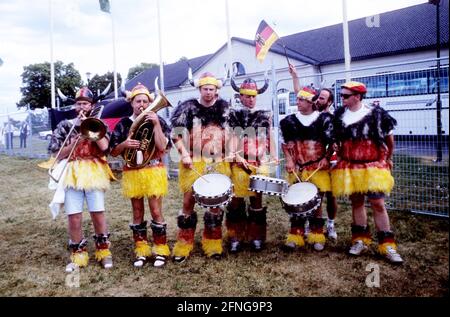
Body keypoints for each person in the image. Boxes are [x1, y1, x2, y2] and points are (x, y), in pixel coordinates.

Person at [331, 81, 403, 264]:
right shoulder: (339, 115)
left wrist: (387, 159)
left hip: (372, 167)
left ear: (357, 96)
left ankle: (387, 245)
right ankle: (359, 240)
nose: (342, 99)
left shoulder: (376, 115)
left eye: (346, 96)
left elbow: (389, 139)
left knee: (378, 203)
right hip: (349, 166)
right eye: (341, 95)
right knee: (356, 202)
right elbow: (336, 139)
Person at [48, 87, 114, 272]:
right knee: (74, 217)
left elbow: (105, 148)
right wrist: (73, 142)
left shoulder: (99, 123)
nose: (81, 107)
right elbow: (57, 153)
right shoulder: (65, 125)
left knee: (97, 213)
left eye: (85, 103)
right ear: (74, 105)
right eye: (79, 103)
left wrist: (91, 127)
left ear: (91, 105)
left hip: (94, 171)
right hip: (73, 173)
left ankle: (104, 252)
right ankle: (78, 254)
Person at [170, 72, 231, 263]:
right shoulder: (187, 107)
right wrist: (184, 154)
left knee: (215, 203)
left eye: (211, 89)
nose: (208, 92)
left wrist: (230, 150)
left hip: (218, 161)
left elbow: (230, 133)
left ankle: (212, 243)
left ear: (216, 90)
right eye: (205, 89)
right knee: (188, 202)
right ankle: (184, 244)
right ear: (199, 89)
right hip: (194, 160)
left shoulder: (224, 108)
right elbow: (176, 135)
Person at [110, 83, 171, 268]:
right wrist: (125, 145)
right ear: (132, 103)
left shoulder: (158, 120)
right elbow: (113, 152)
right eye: (138, 101)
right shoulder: (124, 123)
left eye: (145, 101)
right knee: (137, 212)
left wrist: (155, 124)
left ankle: (160, 249)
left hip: (153, 170)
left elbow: (163, 147)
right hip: (133, 172)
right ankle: (141, 251)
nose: (142, 104)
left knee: (156, 211)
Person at [279, 86, 334, 252]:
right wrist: (289, 160)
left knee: (317, 203)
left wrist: (326, 158)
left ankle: (317, 235)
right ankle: (296, 235)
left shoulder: (324, 120)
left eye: (302, 100)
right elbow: (285, 145)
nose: (298, 102)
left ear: (311, 102)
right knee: (297, 203)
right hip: (297, 168)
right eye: (298, 99)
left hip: (317, 168)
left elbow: (332, 143)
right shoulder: (288, 121)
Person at [226, 77, 276, 253]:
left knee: (257, 200)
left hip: (258, 163)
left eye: (253, 96)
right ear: (240, 96)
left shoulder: (264, 115)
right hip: (239, 163)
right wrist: (236, 156)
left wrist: (272, 156)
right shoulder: (233, 115)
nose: (250, 99)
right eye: (247, 96)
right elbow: (231, 139)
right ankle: (236, 236)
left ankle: (256, 236)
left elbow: (269, 138)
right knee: (236, 201)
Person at [289, 64, 338, 241]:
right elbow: (300, 93)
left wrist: (327, 157)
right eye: (319, 97)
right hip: (311, 161)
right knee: (312, 194)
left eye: (323, 98)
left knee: (329, 195)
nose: (319, 100)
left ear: (329, 101)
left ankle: (330, 224)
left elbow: (334, 141)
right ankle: (310, 225)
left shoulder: (330, 118)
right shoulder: (310, 112)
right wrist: (295, 76)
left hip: (329, 160)